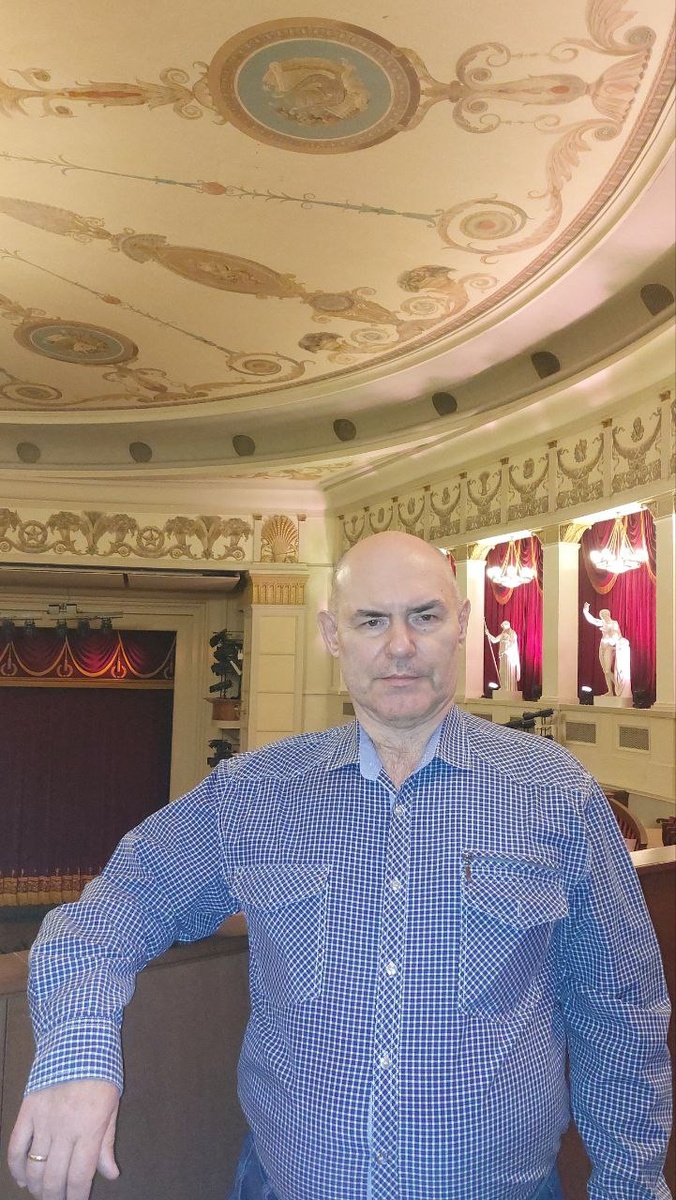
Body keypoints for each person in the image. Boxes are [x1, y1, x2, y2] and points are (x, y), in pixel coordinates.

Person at [8, 531, 671, 1200]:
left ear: (463, 624)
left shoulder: (556, 792)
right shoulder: (253, 793)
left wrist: (632, 1186)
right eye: (371, 621)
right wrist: (77, 1054)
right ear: (332, 635)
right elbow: (114, 908)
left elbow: (622, 1013)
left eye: (424, 616)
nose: (400, 646)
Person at [582, 602, 631, 697]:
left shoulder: (614, 623)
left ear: (607, 615)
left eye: (603, 615)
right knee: (605, 670)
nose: (602, 618)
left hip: (609, 647)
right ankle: (610, 691)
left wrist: (610, 638)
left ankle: (618, 686)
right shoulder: (602, 623)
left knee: (608, 670)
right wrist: (585, 611)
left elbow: (616, 636)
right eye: (601, 616)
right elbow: (592, 620)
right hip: (602, 647)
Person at [485, 618, 521, 692]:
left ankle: (508, 688)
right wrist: (488, 634)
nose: (503, 628)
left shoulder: (512, 633)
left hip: (509, 656)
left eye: (504, 626)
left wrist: (506, 650)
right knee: (502, 671)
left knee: (507, 672)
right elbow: (494, 640)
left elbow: (513, 644)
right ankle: (504, 687)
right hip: (503, 656)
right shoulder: (502, 634)